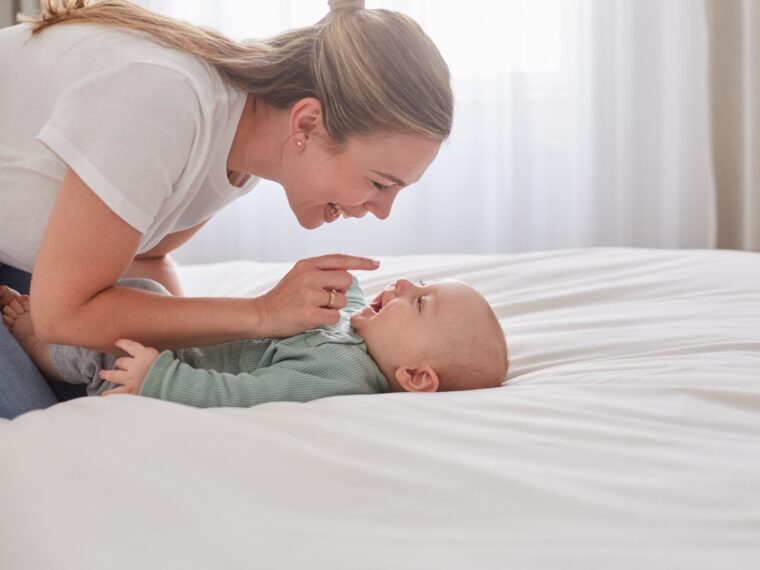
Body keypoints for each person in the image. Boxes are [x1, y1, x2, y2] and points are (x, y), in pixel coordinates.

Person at [0, 0, 453, 418]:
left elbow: (146, 256)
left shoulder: (242, 152)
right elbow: (61, 316)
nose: (382, 211)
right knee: (48, 428)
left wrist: (189, 371)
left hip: (35, 271)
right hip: (51, 296)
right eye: (379, 183)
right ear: (308, 123)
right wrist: (262, 313)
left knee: (119, 397)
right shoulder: (163, 101)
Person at [2, 275, 508, 407]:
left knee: (118, 330)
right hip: (181, 338)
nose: (403, 287)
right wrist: (339, 283)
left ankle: (36, 344)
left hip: (150, 365)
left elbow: (247, 395)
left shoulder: (341, 376)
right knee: (143, 295)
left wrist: (159, 377)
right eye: (419, 283)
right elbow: (346, 303)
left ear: (415, 376)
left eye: (419, 302)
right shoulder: (362, 331)